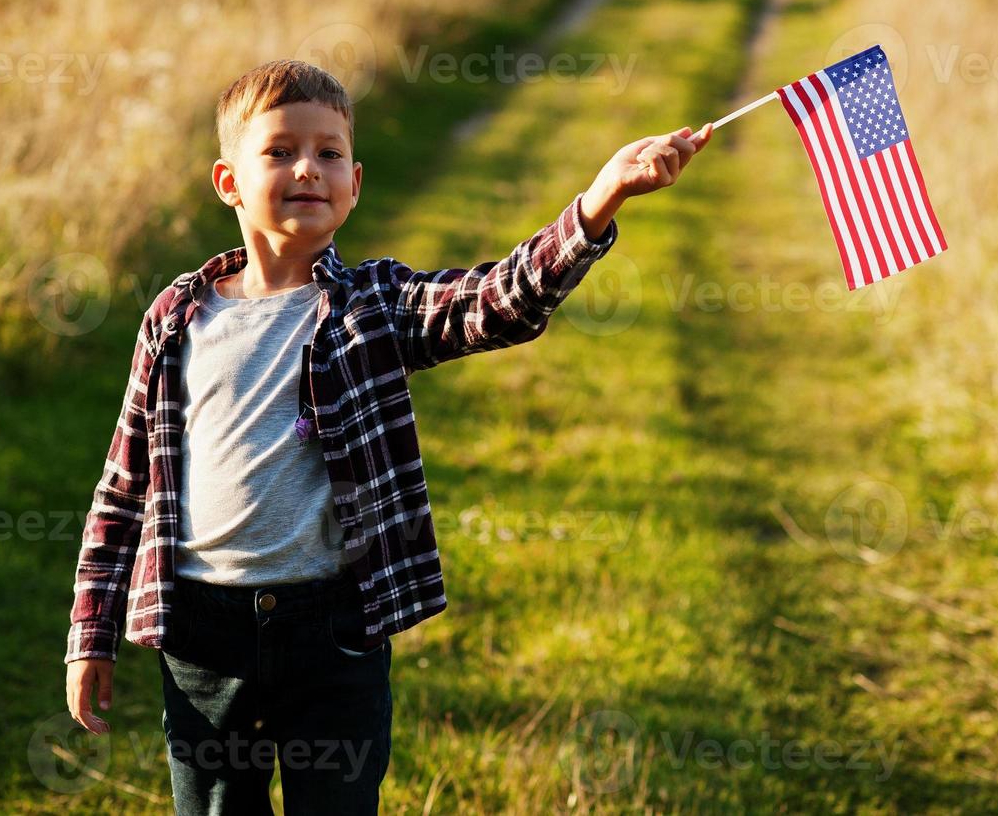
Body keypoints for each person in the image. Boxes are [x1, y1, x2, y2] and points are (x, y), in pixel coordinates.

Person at [64, 58, 713, 813]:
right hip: (204, 638)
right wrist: (91, 631)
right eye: (279, 151)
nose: (308, 167)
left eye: (329, 152)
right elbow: (123, 487)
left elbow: (500, 299)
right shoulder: (177, 316)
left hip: (335, 628)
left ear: (355, 182)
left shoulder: (373, 306)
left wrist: (600, 201)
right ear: (228, 181)